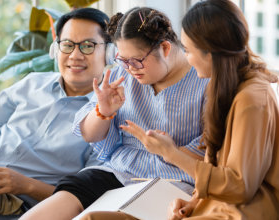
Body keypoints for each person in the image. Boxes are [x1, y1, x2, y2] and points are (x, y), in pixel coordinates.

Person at [80, 0, 279, 219]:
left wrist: (170, 153)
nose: (186, 59)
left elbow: (239, 187)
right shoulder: (227, 89)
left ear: (212, 52)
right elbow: (218, 171)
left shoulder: (251, 99)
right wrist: (192, 202)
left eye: (188, 50)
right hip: (211, 205)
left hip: (237, 212)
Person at [20, 7, 209, 220]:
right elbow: (89, 135)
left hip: (173, 184)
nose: (129, 69)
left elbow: (214, 153)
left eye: (136, 61)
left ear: (165, 48)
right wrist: (103, 111)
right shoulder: (122, 72)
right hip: (115, 173)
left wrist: (169, 150)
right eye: (122, 59)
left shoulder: (205, 80)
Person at [0, 7, 112, 215]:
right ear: (56, 48)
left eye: (88, 46)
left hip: (10, 198)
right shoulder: (32, 83)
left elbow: (84, 197)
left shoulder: (104, 119)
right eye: (68, 45)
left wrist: (25, 185)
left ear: (109, 53)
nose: (75, 55)